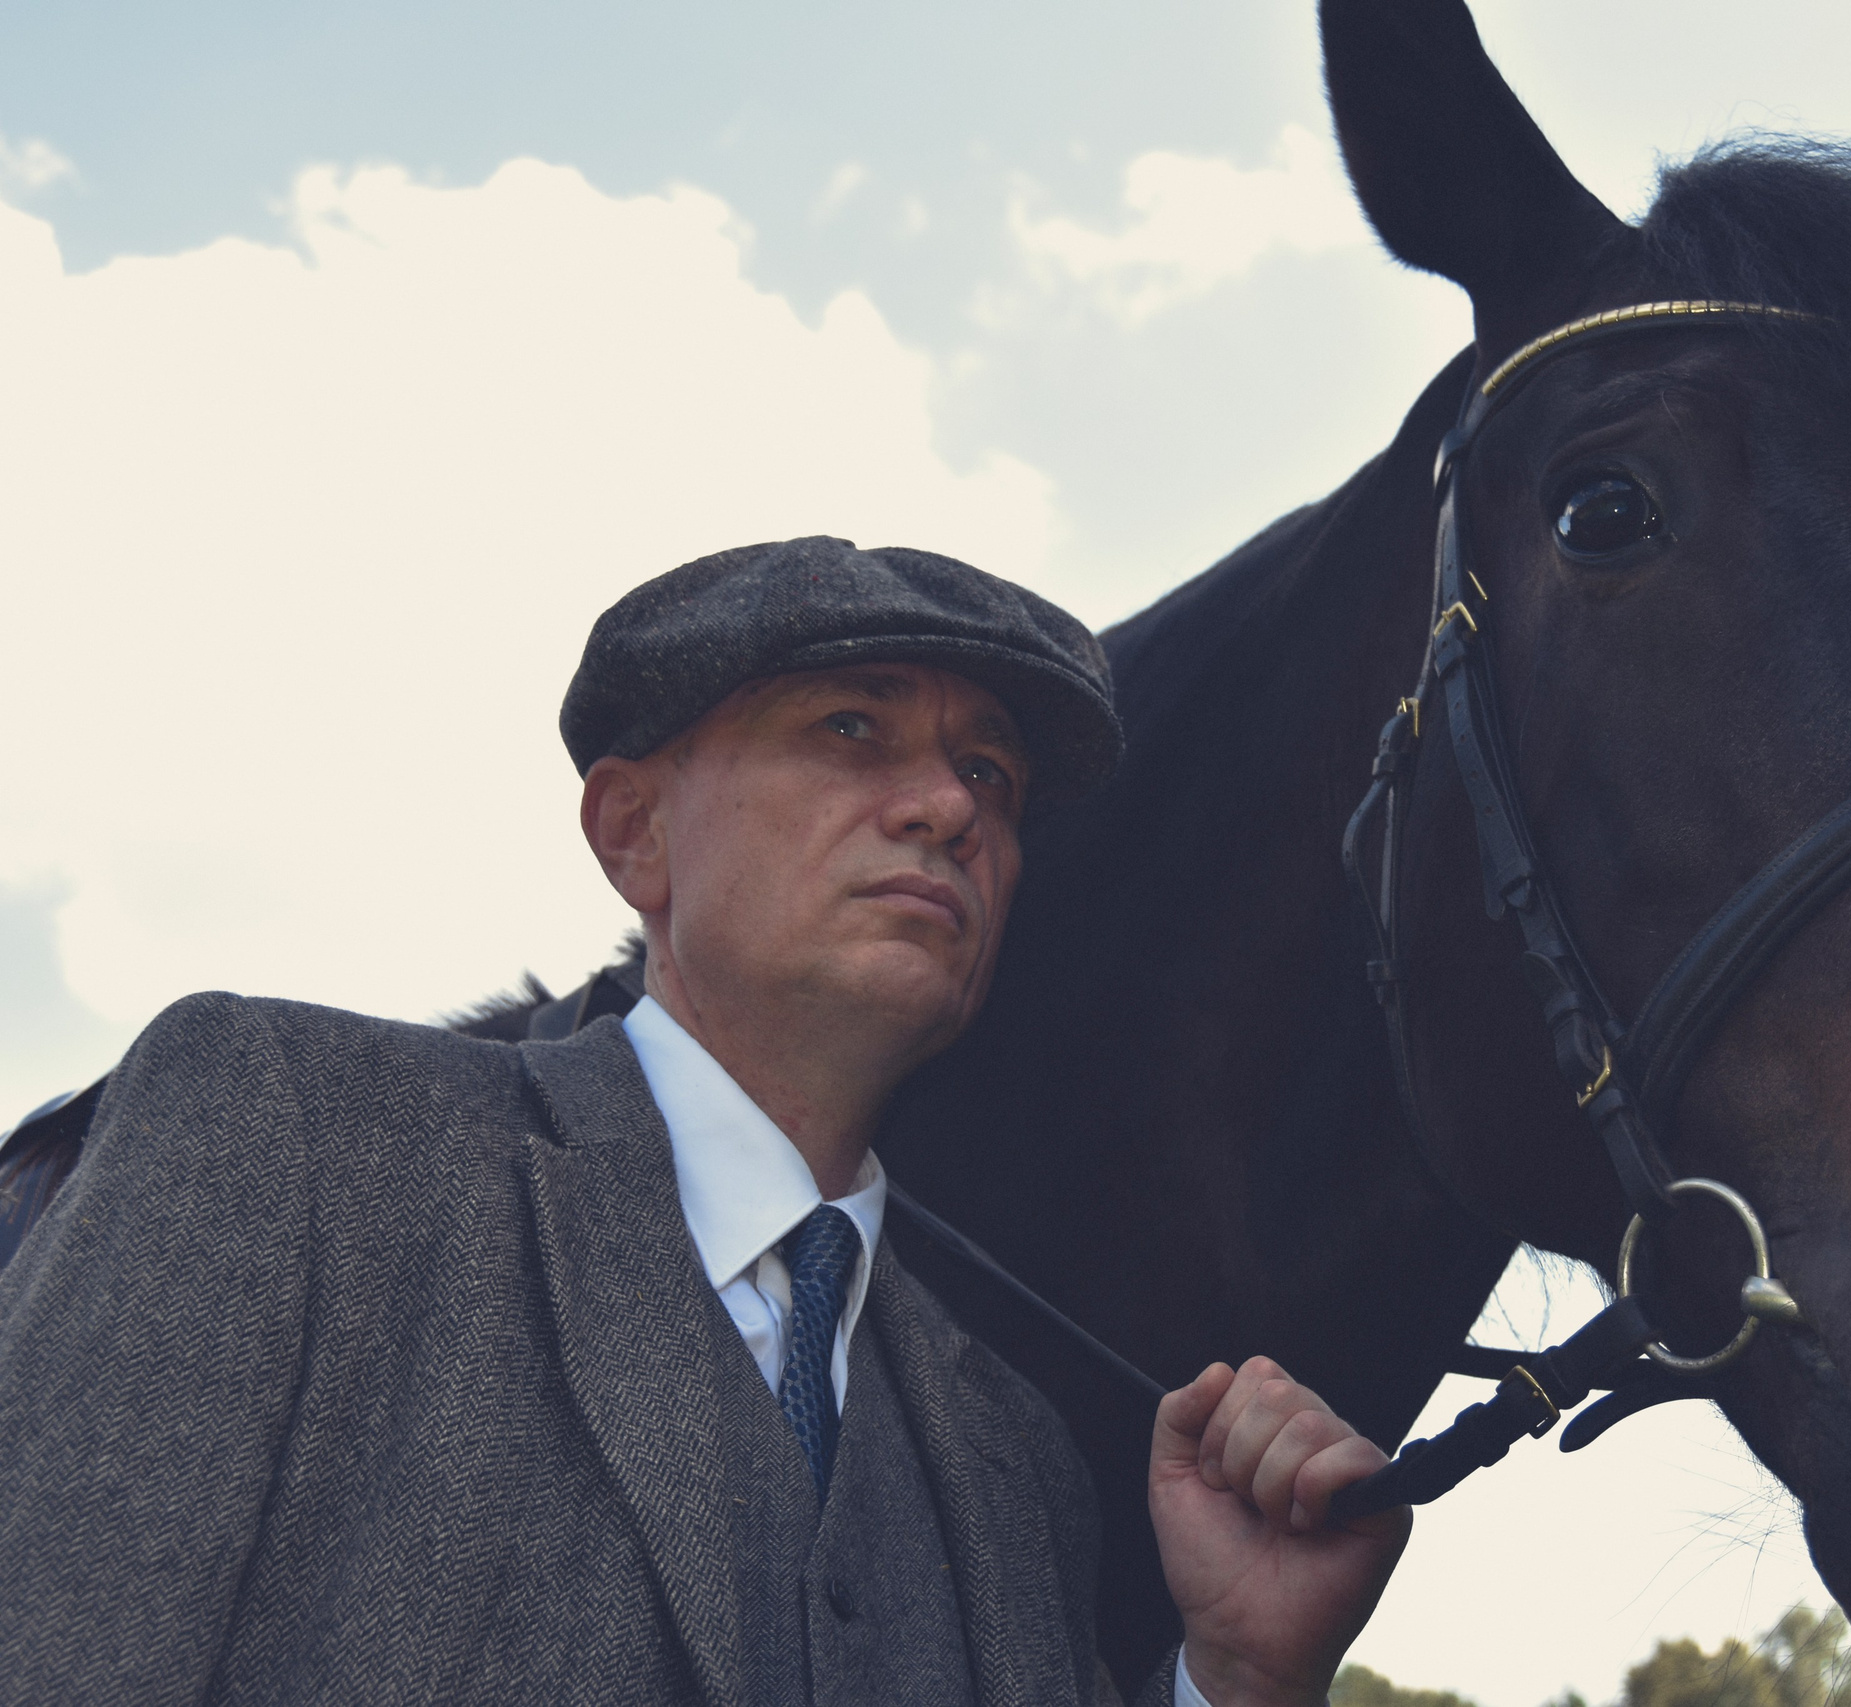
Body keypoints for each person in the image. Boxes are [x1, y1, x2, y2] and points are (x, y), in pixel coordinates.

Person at [0, 537, 1410, 1706]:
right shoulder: (282, 1134)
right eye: (851, 728)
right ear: (634, 836)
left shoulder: (1018, 1466)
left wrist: (1232, 1683)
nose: (944, 808)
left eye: (992, 775)